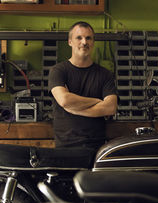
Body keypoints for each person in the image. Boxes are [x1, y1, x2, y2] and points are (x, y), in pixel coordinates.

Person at [48, 21, 118, 150]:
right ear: (70, 42)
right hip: (65, 147)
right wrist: (97, 101)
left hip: (96, 147)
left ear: (93, 42)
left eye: (88, 38)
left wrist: (73, 108)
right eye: (79, 37)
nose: (84, 42)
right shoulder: (58, 71)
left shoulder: (105, 74)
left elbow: (110, 107)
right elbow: (64, 100)